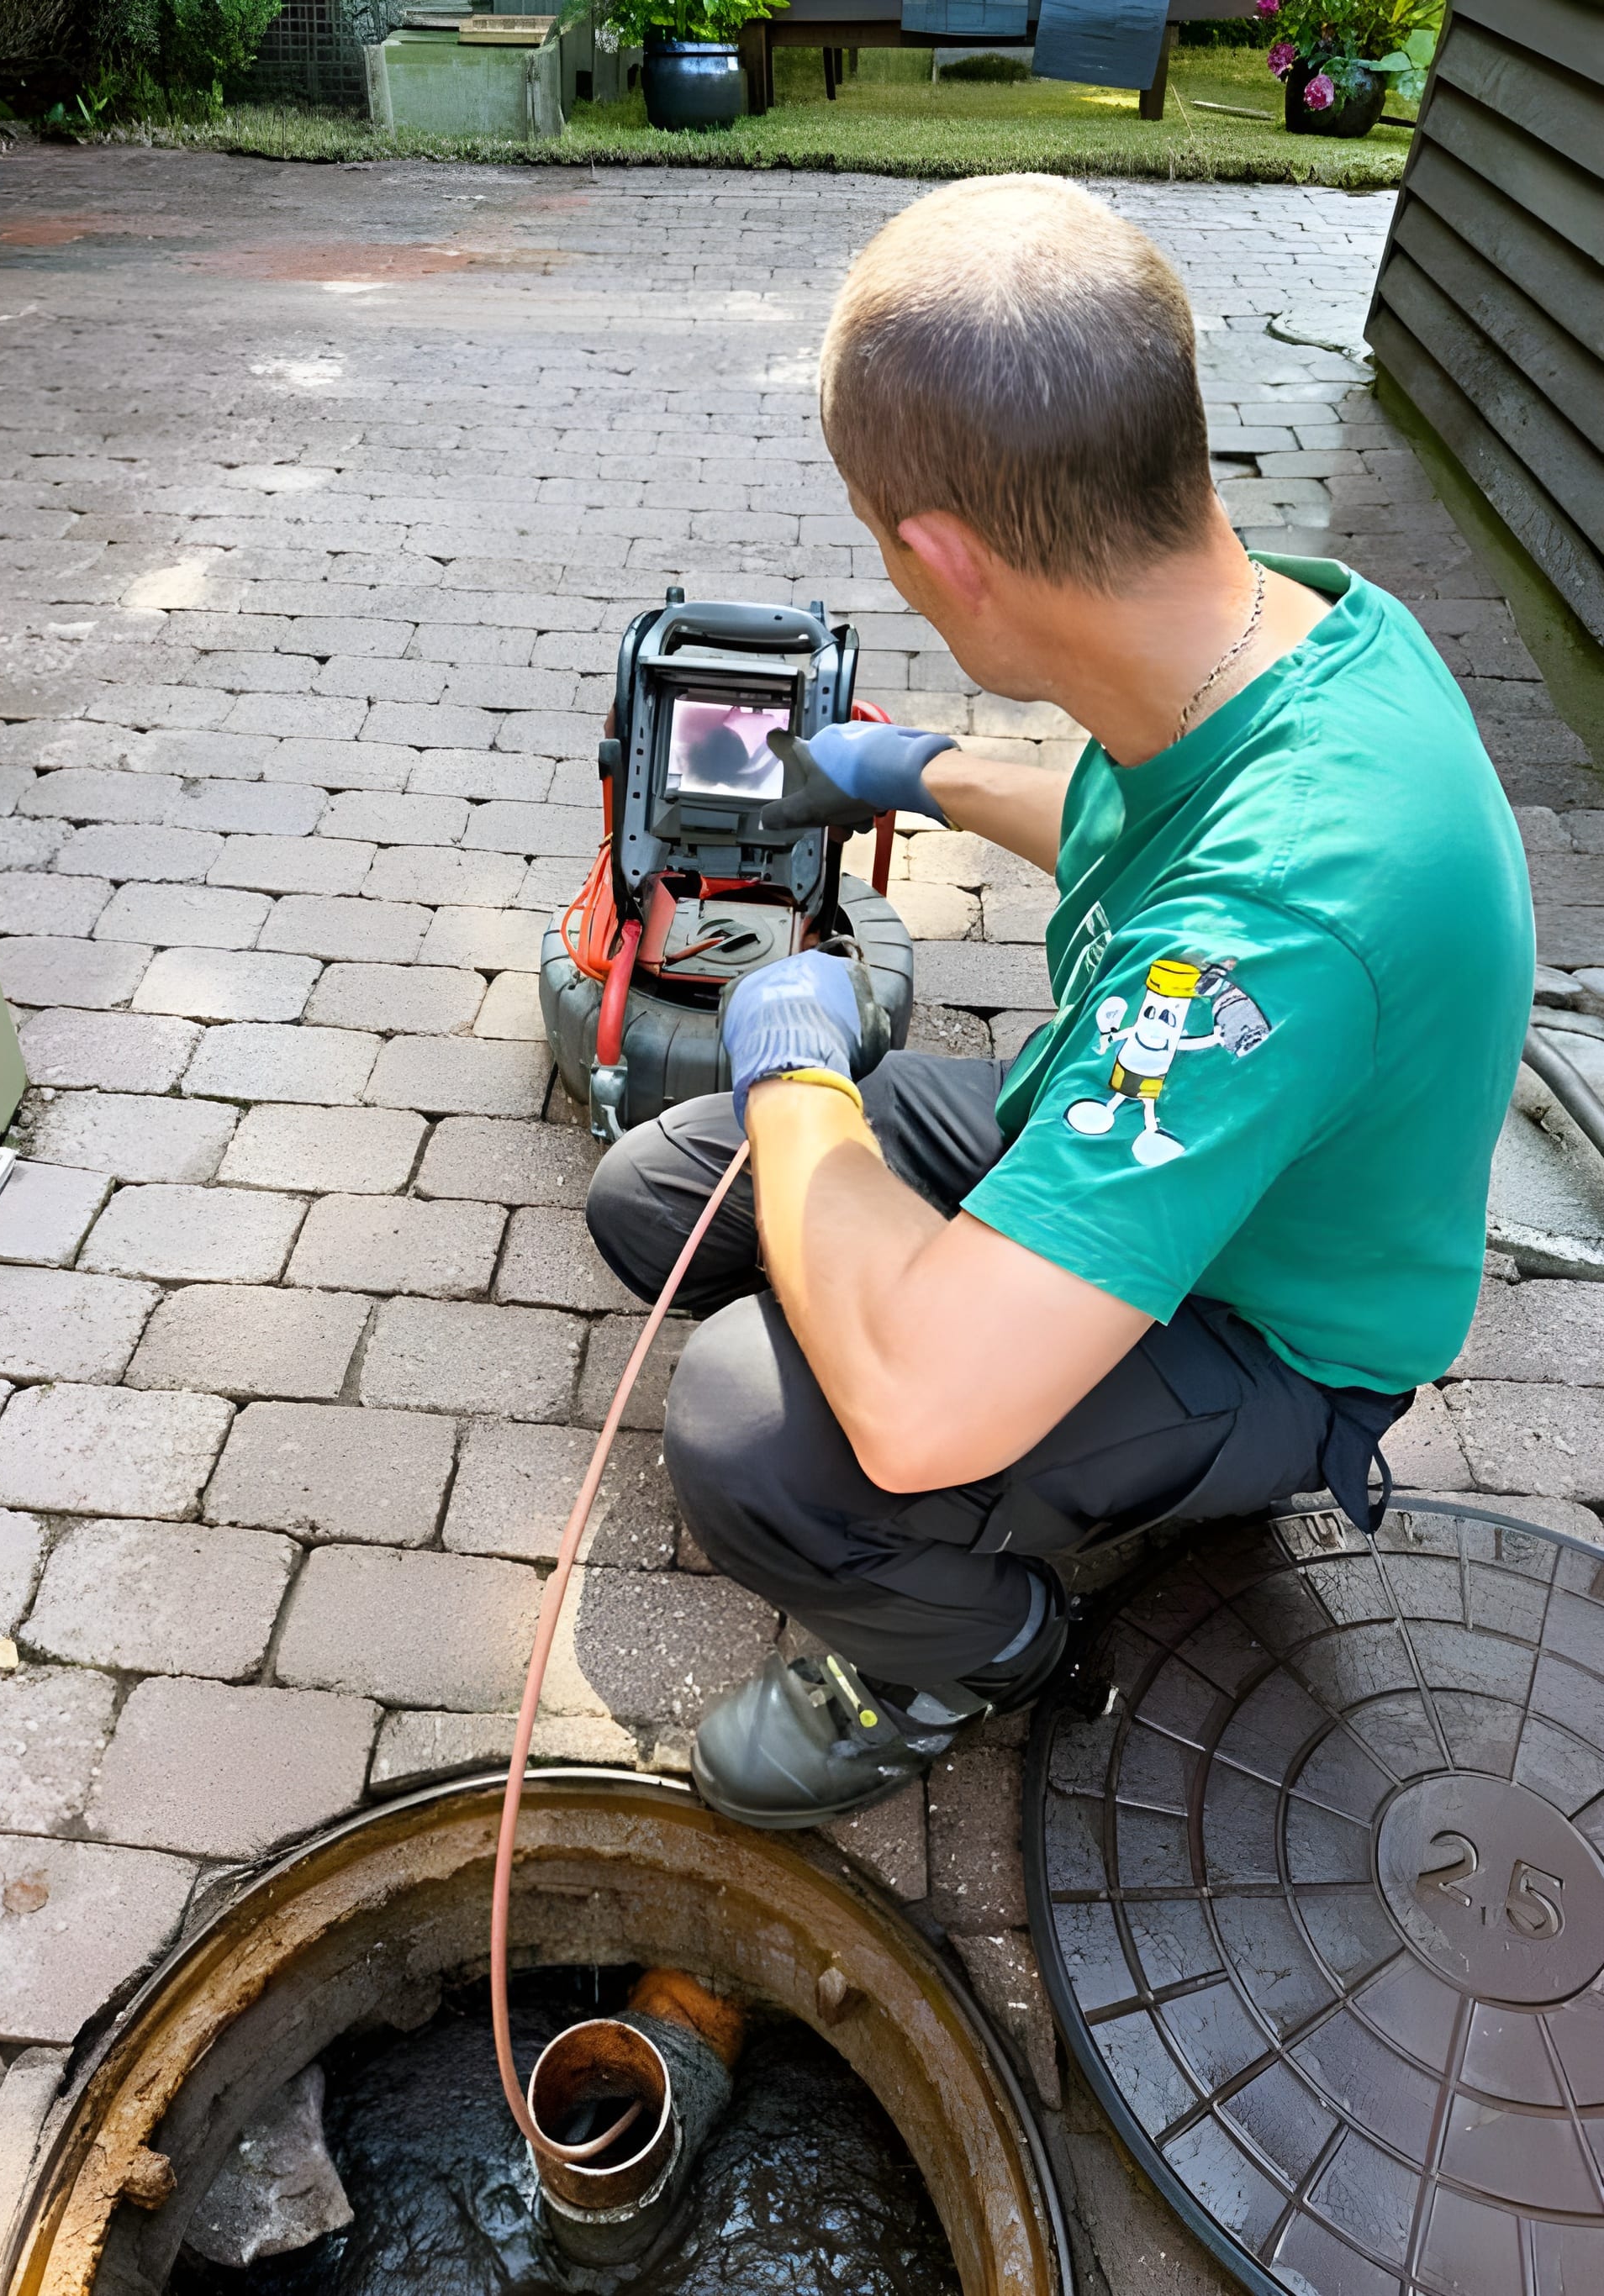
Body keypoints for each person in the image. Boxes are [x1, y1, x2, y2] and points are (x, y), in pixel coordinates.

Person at [583, 175, 1534, 1832]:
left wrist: (798, 1058)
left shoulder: (1284, 911)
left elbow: (917, 1405)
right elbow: (1138, 820)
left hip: (1264, 1315)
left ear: (943, 557)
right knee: (659, 1195)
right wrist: (920, 769)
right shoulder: (1275, 629)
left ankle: (973, 1649)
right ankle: (944, 1315)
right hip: (1174, 1119)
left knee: (753, 1426)